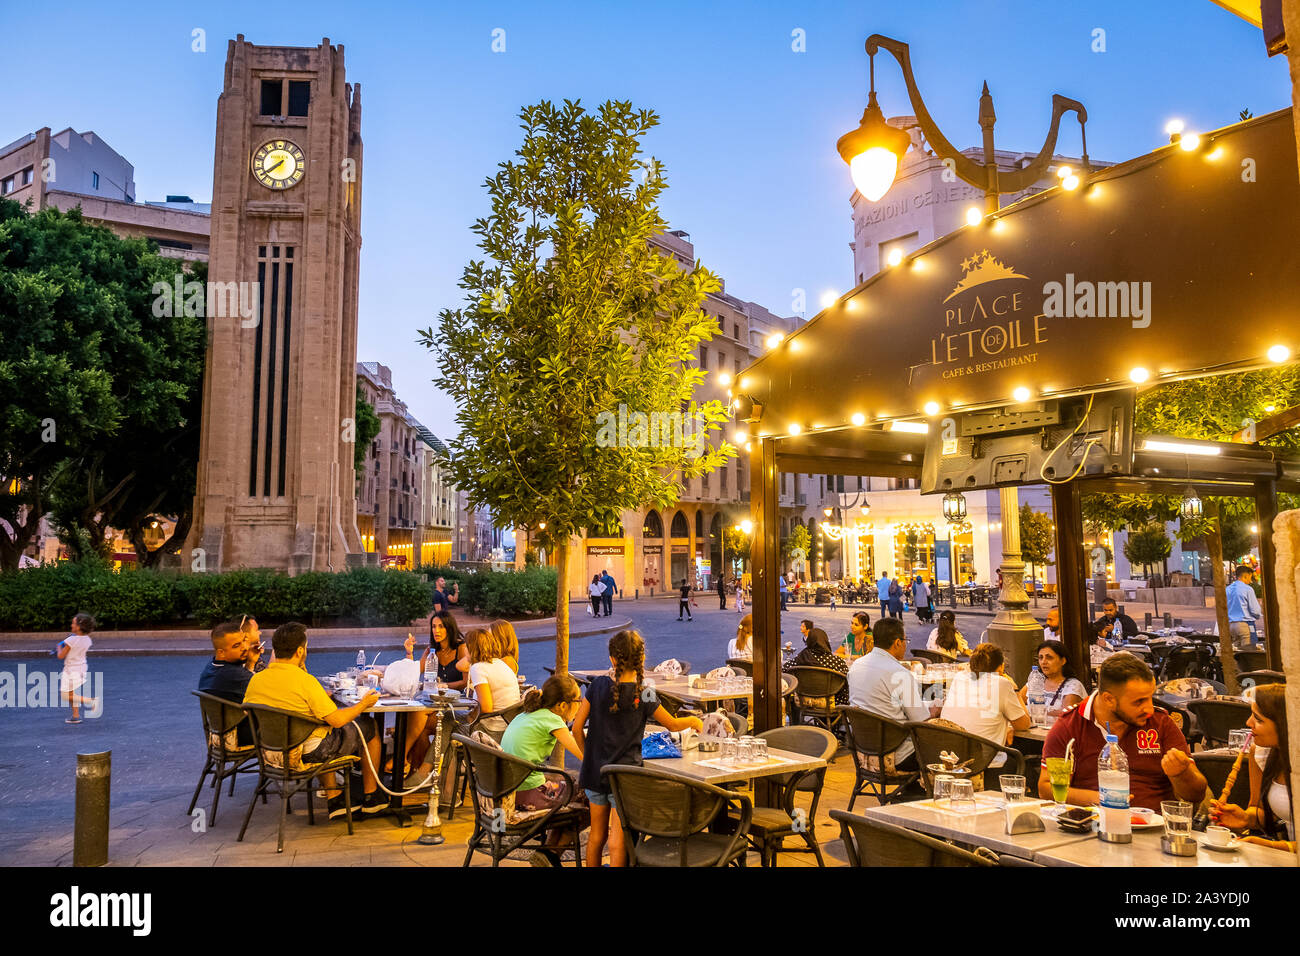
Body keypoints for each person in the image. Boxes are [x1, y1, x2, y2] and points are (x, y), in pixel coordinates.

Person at [572, 630, 704, 866]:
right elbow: (672, 724)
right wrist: (694, 721)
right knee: (616, 838)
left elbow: (577, 727)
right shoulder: (645, 692)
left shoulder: (597, 685)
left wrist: (587, 757)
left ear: (613, 659)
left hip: (594, 773)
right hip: (625, 777)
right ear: (641, 660)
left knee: (596, 835)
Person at [242, 622, 387, 817]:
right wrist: (364, 704)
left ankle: (334, 797)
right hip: (308, 753)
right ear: (300, 650)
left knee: (319, 725)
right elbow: (337, 719)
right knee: (368, 726)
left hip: (271, 751)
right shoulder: (304, 681)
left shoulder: (257, 679)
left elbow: (248, 712)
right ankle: (372, 797)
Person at [1038, 653, 1206, 808]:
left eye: (1150, 697)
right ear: (1109, 699)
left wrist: (1181, 774)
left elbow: (1196, 795)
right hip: (1092, 828)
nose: (1149, 708)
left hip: (1155, 830)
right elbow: (1046, 788)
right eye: (1139, 701)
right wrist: (1102, 799)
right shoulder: (1069, 726)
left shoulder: (1161, 723)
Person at [1210, 684, 1294, 851]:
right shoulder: (1262, 753)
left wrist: (1275, 846)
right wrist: (1246, 818)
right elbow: (1260, 810)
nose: (1249, 722)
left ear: (1285, 724)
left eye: (1258, 719)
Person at [846, 617, 933, 767]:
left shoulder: (856, 666)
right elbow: (920, 720)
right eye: (905, 640)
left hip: (864, 748)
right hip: (896, 752)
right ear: (898, 642)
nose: (906, 644)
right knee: (947, 748)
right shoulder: (899, 674)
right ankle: (919, 789)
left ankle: (911, 789)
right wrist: (935, 711)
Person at [501, 674, 585, 811]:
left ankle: (558, 832)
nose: (580, 704)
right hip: (527, 793)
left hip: (507, 791)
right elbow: (583, 755)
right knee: (587, 794)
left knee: (568, 784)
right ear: (563, 705)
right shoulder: (552, 720)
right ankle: (562, 831)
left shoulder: (527, 713)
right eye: (578, 700)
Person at [940, 643, 1032, 750]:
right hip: (986, 761)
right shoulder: (1002, 683)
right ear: (1001, 666)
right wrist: (1015, 690)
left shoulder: (959, 677)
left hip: (951, 757)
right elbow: (1023, 725)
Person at [198, 622, 263, 745]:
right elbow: (272, 689)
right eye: (236, 645)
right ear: (221, 652)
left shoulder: (212, 667)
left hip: (222, 733)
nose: (244, 647)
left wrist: (250, 664)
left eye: (244, 641)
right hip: (240, 735)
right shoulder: (233, 674)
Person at [464, 626, 520, 724]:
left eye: (466, 646)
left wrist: (470, 716)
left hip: (491, 728)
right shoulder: (500, 663)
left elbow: (486, 707)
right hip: (509, 725)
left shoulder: (478, 667)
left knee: (447, 718)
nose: (464, 649)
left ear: (471, 648)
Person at [783, 627, 849, 706]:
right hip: (830, 705)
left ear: (809, 641)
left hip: (804, 703)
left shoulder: (801, 658)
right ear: (825, 641)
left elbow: (784, 670)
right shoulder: (836, 662)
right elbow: (847, 677)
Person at [1017, 640, 1087, 712]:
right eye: (1041, 658)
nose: (1043, 662)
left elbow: (1065, 714)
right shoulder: (1036, 681)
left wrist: (1034, 710)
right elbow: (1017, 704)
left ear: (1063, 661)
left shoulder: (1073, 685)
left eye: (1049, 657)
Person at [57, 612, 98, 724]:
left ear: (79, 627)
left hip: (71, 670)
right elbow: (77, 642)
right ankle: (76, 715)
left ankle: (91, 701)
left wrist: (59, 647)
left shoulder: (71, 640)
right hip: (81, 668)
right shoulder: (87, 640)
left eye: (73, 623)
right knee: (71, 693)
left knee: (66, 695)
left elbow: (60, 656)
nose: (71, 625)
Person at [416, 611, 469, 691]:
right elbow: (416, 671)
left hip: (460, 699)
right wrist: (409, 653)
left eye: (441, 626)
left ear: (449, 628)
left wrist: (443, 686)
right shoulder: (431, 650)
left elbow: (466, 682)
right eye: (434, 626)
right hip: (437, 698)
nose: (436, 631)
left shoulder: (461, 648)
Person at [1225, 565, 1263, 649]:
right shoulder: (1247, 589)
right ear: (1246, 576)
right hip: (1245, 625)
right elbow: (1255, 610)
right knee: (1248, 652)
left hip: (1231, 625)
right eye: (1250, 577)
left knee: (1236, 652)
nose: (1250, 581)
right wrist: (1258, 615)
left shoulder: (1227, 589)